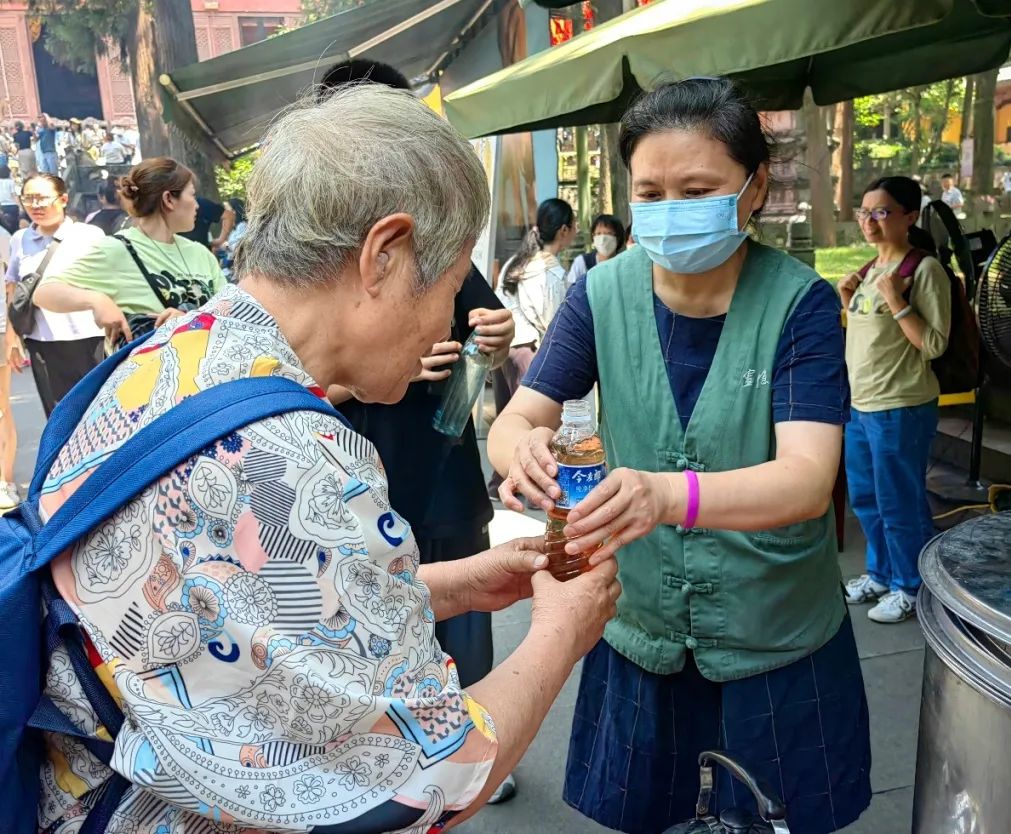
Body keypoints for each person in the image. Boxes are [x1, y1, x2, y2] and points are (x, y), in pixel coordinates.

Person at [35, 82, 620, 832]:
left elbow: (242, 613)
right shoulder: (298, 457)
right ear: (384, 254)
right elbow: (422, 778)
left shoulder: (167, 355)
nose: (446, 321)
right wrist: (562, 630)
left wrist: (448, 585)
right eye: (448, 286)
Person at [488, 78, 872, 834]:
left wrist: (668, 497)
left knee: (776, 817)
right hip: (643, 627)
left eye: (696, 188)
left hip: (773, 631)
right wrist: (520, 448)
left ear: (754, 187)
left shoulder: (798, 304)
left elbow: (805, 477)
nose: (669, 210)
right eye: (651, 191)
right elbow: (518, 416)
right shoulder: (601, 295)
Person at [320, 59, 521, 804]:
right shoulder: (308, 245)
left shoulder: (434, 232)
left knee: (463, 608)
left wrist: (491, 342)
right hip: (349, 469)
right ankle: (383, 755)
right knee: (364, 612)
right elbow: (277, 368)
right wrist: (360, 375)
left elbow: (484, 331)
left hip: (442, 467)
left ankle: (475, 743)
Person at [838, 177, 951, 624]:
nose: (870, 221)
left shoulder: (922, 271)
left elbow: (934, 343)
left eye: (881, 212)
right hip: (860, 406)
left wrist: (898, 303)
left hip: (900, 406)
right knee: (866, 497)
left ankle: (913, 586)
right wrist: (850, 301)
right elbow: (870, 340)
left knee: (899, 501)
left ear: (910, 217)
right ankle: (881, 573)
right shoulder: (868, 272)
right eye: (864, 212)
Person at [35, 157, 226, 350]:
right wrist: (96, 300)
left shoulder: (200, 253)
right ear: (169, 199)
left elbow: (232, 310)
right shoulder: (116, 249)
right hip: (150, 375)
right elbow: (45, 292)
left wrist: (191, 322)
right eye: (192, 195)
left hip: (211, 373)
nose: (197, 205)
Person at [4, 173, 105, 418]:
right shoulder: (20, 239)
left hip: (89, 338)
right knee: (58, 416)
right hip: (42, 341)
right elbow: (13, 292)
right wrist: (12, 340)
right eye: (28, 198)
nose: (35, 205)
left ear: (63, 199)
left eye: (41, 198)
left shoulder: (90, 235)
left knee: (98, 411)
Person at [0, 220, 17, 510]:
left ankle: (5, 478)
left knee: (1, 408)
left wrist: (13, 336)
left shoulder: (2, 237)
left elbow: (11, 288)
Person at [565, 212, 625, 285]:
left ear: (618, 238)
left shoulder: (625, 265)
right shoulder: (582, 263)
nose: (603, 239)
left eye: (608, 233)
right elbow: (570, 291)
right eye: (599, 233)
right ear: (593, 236)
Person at [0, 164, 19, 233]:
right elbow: (14, 195)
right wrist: (20, 206)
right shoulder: (10, 182)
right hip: (12, 205)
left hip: (2, 206)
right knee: (15, 224)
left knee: (5, 224)